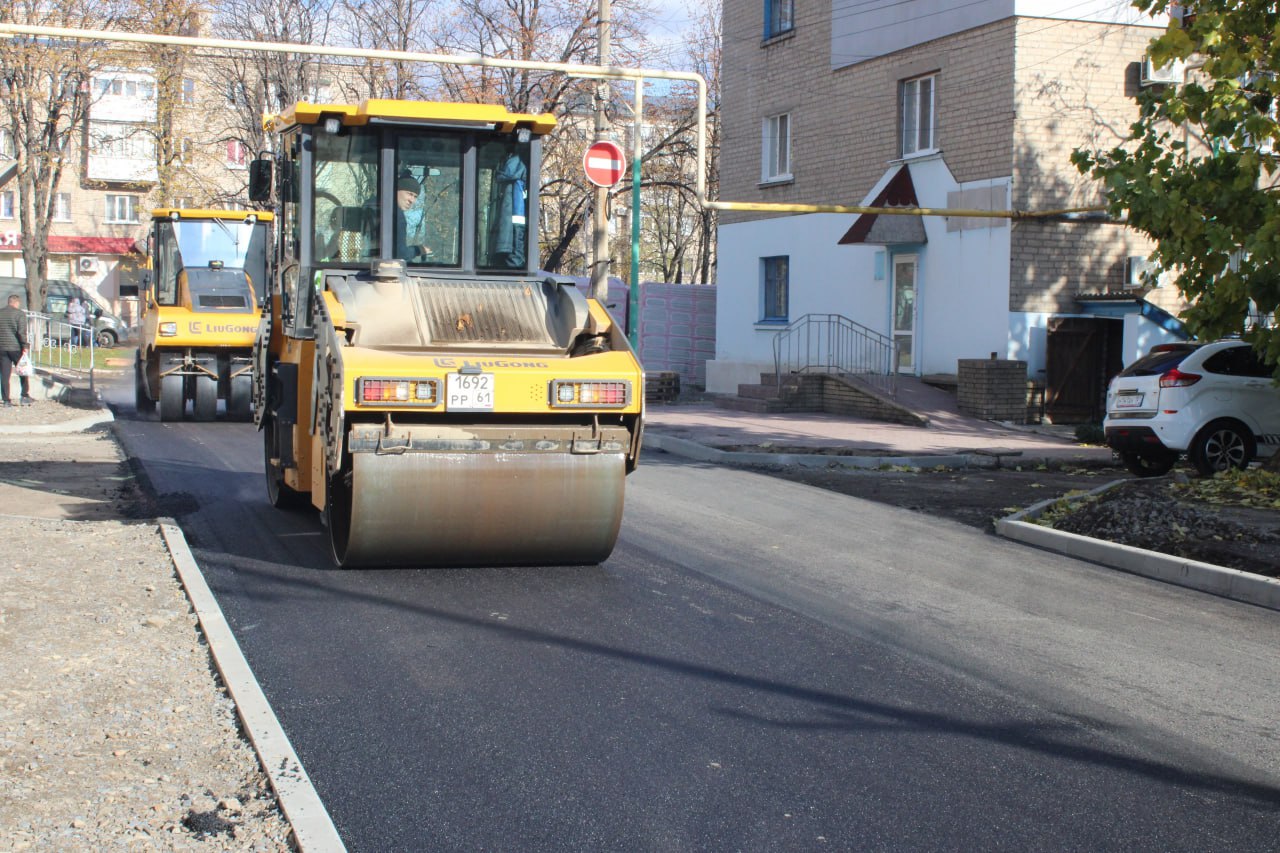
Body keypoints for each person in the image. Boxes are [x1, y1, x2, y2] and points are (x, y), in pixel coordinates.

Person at [0, 293, 32, 407]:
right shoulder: (19, 314)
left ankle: (6, 400)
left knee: (4, 375)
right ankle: (24, 396)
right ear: (16, 302)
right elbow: (21, 332)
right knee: (23, 372)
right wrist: (25, 346)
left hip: (2, 348)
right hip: (16, 348)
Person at [393, 175, 425, 262]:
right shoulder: (396, 215)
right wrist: (418, 250)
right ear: (396, 190)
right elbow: (400, 255)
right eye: (409, 194)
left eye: (415, 197)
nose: (412, 201)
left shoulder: (377, 207)